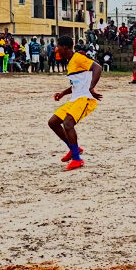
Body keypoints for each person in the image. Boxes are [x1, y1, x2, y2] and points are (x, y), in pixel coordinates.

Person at [49, 35, 102, 171]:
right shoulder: (71, 61)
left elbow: (97, 68)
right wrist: (62, 94)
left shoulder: (78, 57)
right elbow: (76, 84)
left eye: (58, 46)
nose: (56, 49)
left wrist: (91, 87)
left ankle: (77, 159)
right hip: (75, 98)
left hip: (85, 98)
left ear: (64, 47)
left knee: (68, 123)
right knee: (53, 122)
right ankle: (74, 149)